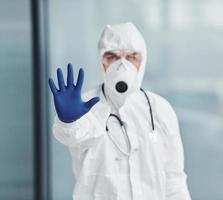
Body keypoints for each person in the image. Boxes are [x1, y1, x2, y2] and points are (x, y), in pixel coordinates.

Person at [48, 22, 191, 200]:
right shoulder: (85, 106)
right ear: (102, 61)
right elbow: (74, 136)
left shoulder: (160, 109)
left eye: (131, 57)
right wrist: (68, 121)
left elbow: (174, 179)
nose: (122, 66)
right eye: (112, 57)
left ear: (143, 60)